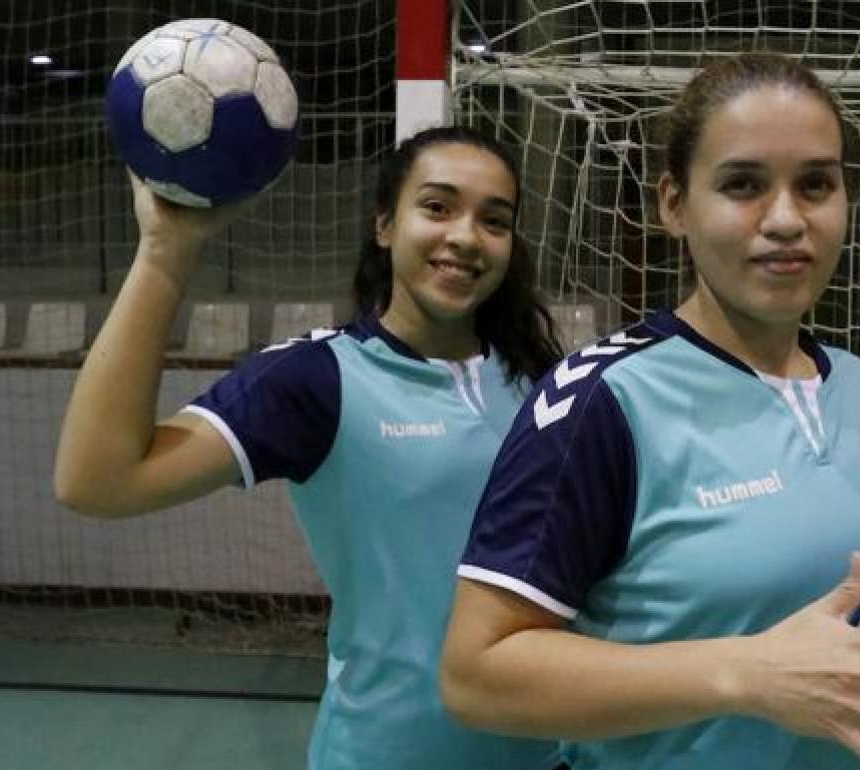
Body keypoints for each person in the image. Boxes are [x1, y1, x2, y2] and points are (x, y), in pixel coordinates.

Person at [440, 53, 860, 770]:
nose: (784, 219)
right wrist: (749, 674)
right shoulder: (600, 400)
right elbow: (476, 675)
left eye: (815, 185)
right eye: (742, 185)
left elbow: (837, 624)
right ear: (673, 203)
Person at [54, 126, 563, 770]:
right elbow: (97, 480)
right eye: (437, 207)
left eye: (495, 220)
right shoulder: (318, 378)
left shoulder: (545, 379)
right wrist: (165, 252)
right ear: (385, 224)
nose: (465, 236)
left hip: (549, 753)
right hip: (386, 756)